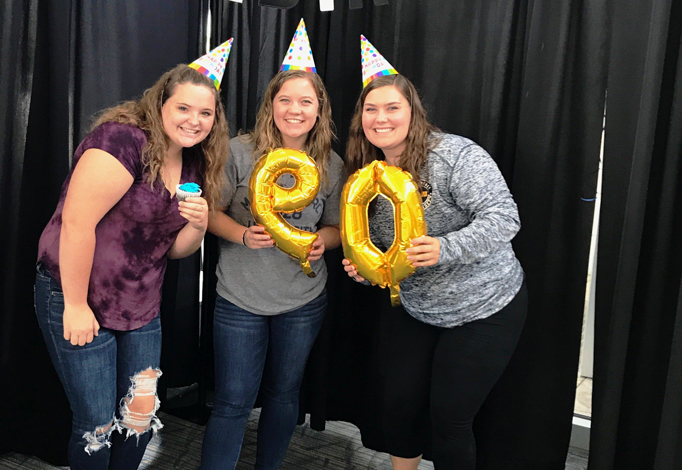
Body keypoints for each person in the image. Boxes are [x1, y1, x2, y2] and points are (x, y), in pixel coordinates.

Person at [33, 40, 233, 470]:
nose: (194, 121)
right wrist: (74, 303)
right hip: (79, 293)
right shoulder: (122, 141)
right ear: (161, 103)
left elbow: (174, 249)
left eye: (206, 113)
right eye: (184, 108)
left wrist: (198, 223)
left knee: (140, 415)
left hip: (141, 306)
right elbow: (76, 224)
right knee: (97, 425)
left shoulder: (196, 164)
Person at [342, 36, 527, 470]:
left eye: (392, 108)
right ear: (361, 119)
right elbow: (378, 247)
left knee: (450, 419)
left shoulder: (455, 155)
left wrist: (444, 247)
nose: (381, 118)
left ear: (413, 113)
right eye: (371, 109)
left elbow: (505, 218)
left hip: (484, 307)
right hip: (416, 307)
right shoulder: (365, 174)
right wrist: (368, 271)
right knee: (400, 406)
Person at [200, 20, 345, 470]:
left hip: (302, 300)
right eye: (286, 100)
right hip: (239, 299)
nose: (295, 109)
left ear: (319, 109)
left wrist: (322, 241)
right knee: (232, 401)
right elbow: (210, 214)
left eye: (306, 101)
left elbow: (339, 227)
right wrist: (243, 234)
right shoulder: (239, 152)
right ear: (271, 106)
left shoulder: (332, 164)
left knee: (284, 395)